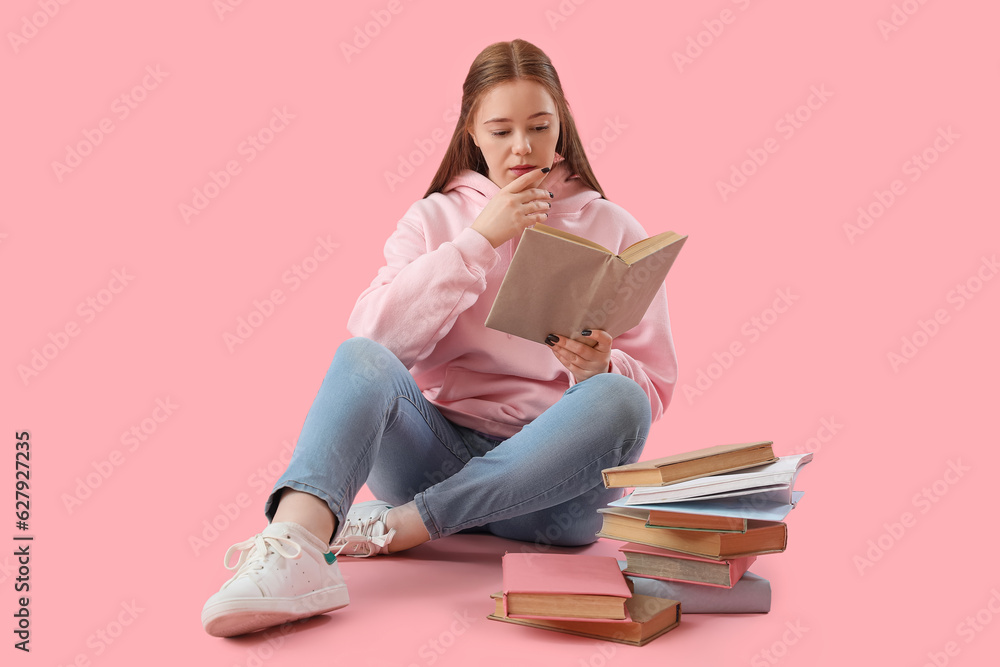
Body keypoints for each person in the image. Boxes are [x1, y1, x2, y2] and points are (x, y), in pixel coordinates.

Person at [201, 38, 678, 638]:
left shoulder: (613, 225)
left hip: (554, 496)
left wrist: (597, 369)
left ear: (562, 127)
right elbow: (375, 339)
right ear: (473, 134)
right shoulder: (433, 219)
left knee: (621, 397)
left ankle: (403, 528)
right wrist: (479, 239)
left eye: (538, 126)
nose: (522, 147)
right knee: (360, 356)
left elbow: (653, 390)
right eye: (501, 131)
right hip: (433, 460)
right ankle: (294, 547)